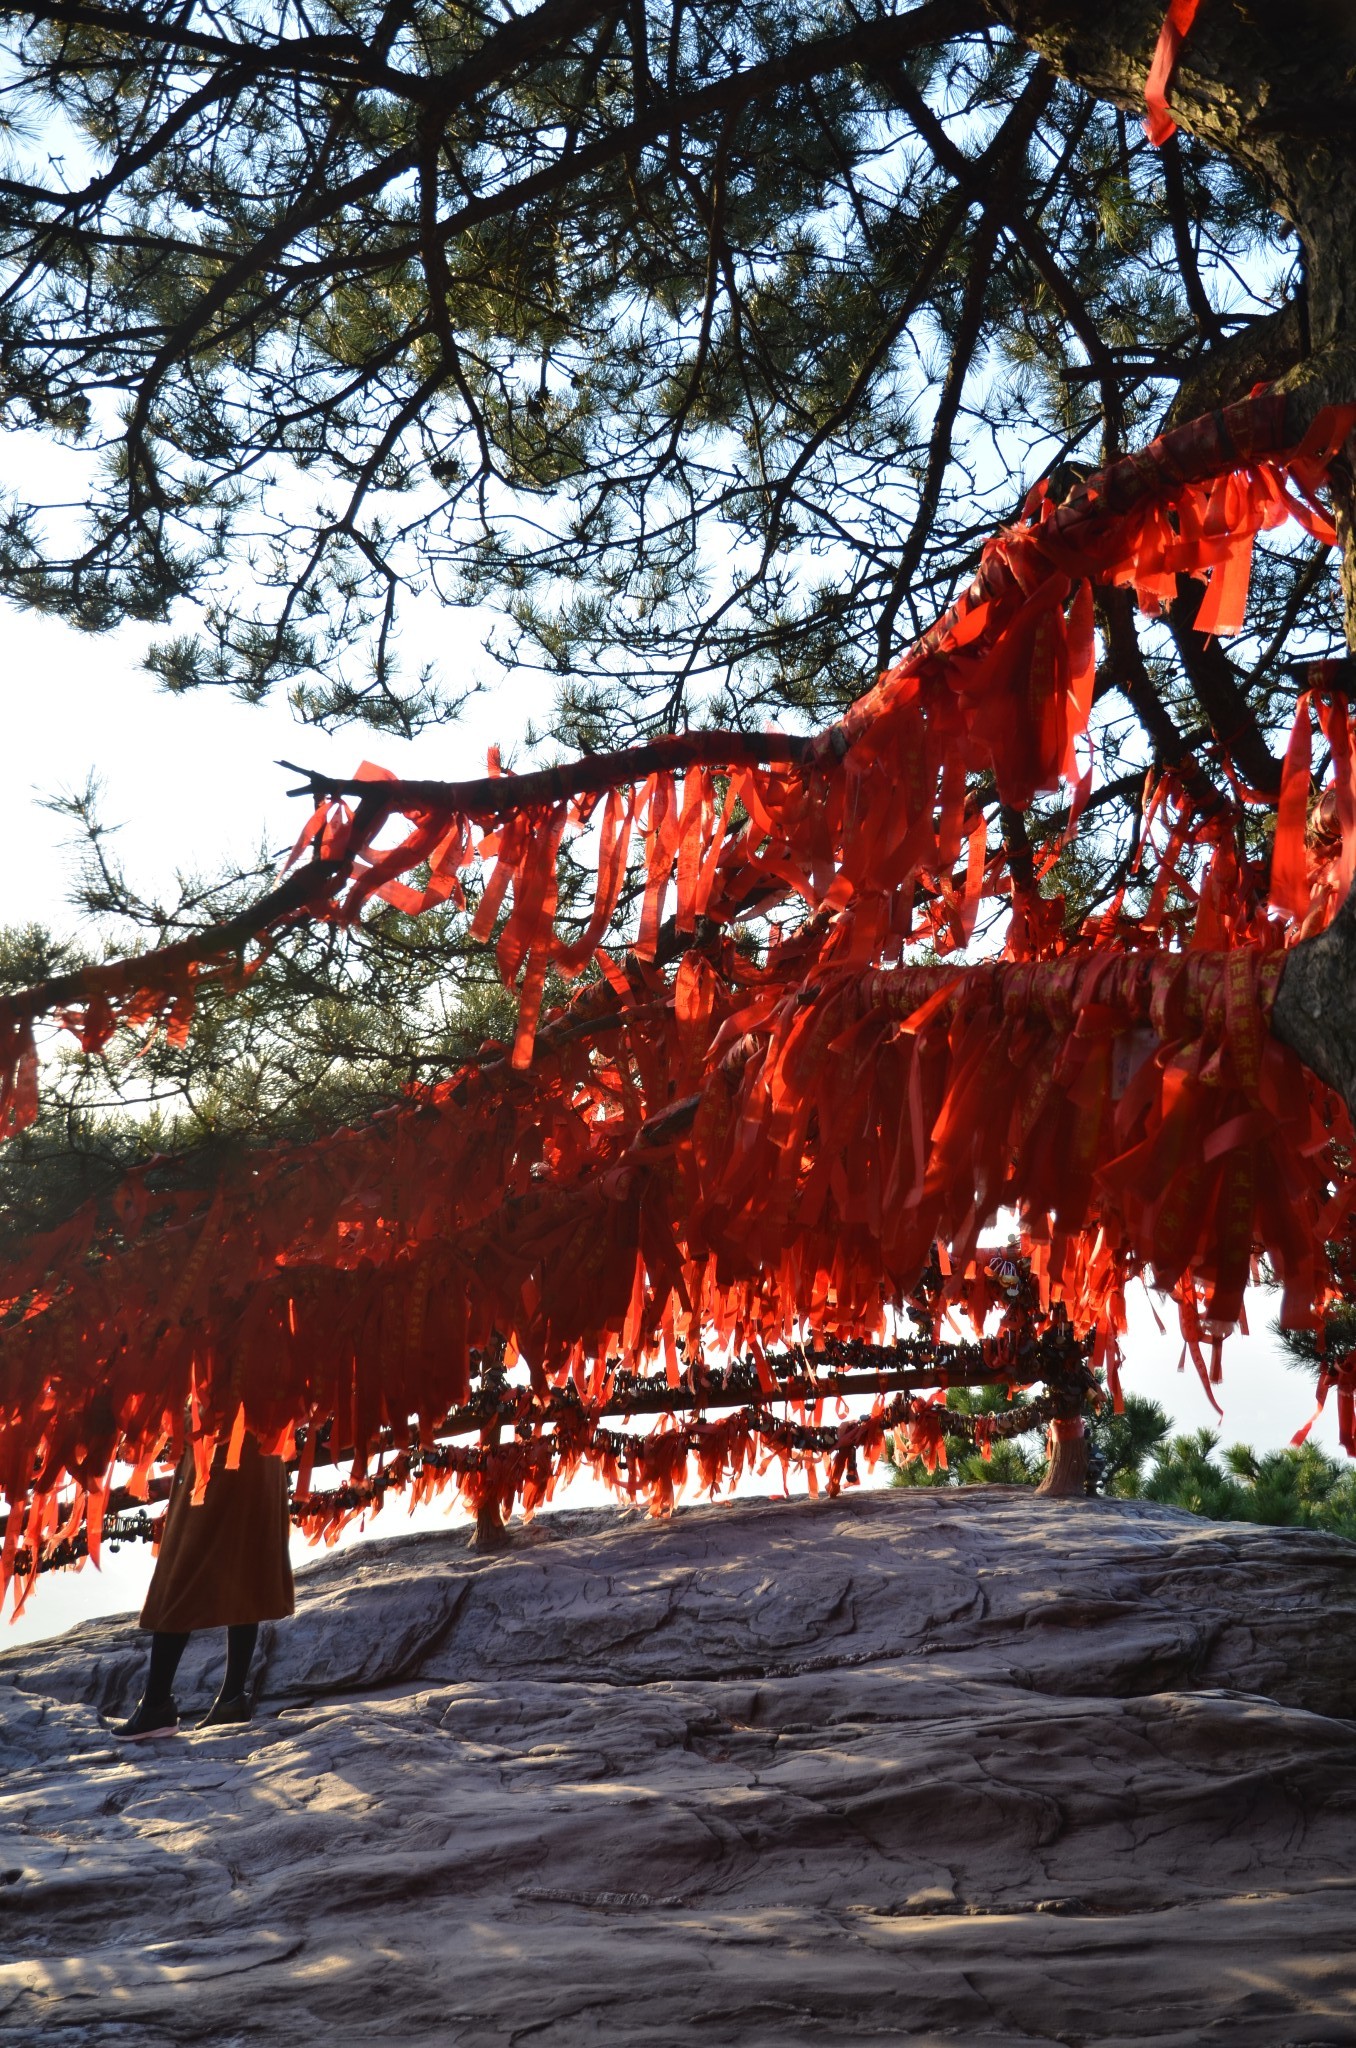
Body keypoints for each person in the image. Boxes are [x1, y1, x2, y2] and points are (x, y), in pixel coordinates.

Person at [117, 1427, 294, 1739]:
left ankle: (157, 1704)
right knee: (245, 1564)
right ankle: (231, 1701)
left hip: (215, 1452)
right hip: (260, 1454)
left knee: (181, 1570)